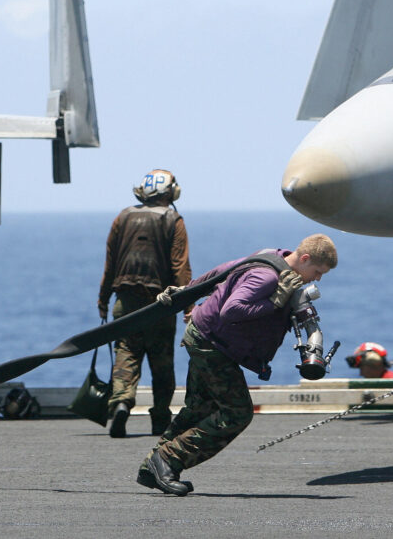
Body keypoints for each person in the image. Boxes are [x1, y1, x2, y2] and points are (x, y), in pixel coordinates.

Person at [136, 233, 337, 496]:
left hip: (204, 337)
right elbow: (231, 311)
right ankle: (166, 460)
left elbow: (222, 272)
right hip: (212, 345)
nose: (318, 278)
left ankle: (154, 466)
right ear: (305, 258)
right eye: (317, 271)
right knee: (236, 413)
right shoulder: (268, 277)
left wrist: (187, 293)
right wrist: (273, 303)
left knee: (200, 407)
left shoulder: (271, 255)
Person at [97, 169, 191, 438]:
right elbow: (180, 268)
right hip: (160, 306)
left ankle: (122, 404)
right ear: (170, 193)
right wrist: (188, 305)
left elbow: (110, 264)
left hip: (124, 304)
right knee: (161, 362)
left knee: (126, 355)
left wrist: (103, 299)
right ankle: (160, 418)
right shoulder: (174, 219)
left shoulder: (123, 216)